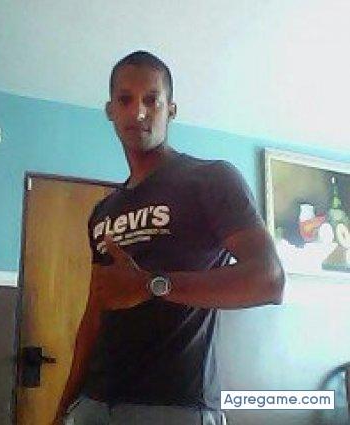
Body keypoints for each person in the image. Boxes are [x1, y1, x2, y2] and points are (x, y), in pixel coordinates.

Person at [53, 50, 285, 425]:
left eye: (151, 100)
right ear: (110, 110)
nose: (138, 112)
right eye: (125, 100)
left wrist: (151, 285)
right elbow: (96, 309)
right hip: (93, 405)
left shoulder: (211, 179)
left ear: (171, 110)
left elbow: (269, 280)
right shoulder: (102, 211)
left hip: (175, 406)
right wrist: (64, 405)